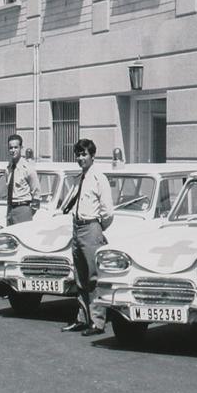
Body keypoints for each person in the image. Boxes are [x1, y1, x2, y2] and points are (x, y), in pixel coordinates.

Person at [61, 138, 114, 337]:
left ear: (93, 156)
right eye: (78, 154)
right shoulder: (78, 179)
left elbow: (107, 211)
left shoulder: (99, 178)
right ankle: (83, 318)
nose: (81, 158)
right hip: (77, 228)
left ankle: (97, 322)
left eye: (84, 154)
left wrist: (97, 229)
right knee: (80, 277)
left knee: (93, 277)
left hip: (91, 228)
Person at [4, 134, 41, 225]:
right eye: (10, 148)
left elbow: (36, 191)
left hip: (23, 208)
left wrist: (30, 210)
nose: (13, 150)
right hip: (10, 209)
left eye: (16, 147)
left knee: (23, 237)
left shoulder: (27, 168)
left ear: (21, 148)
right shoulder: (8, 168)